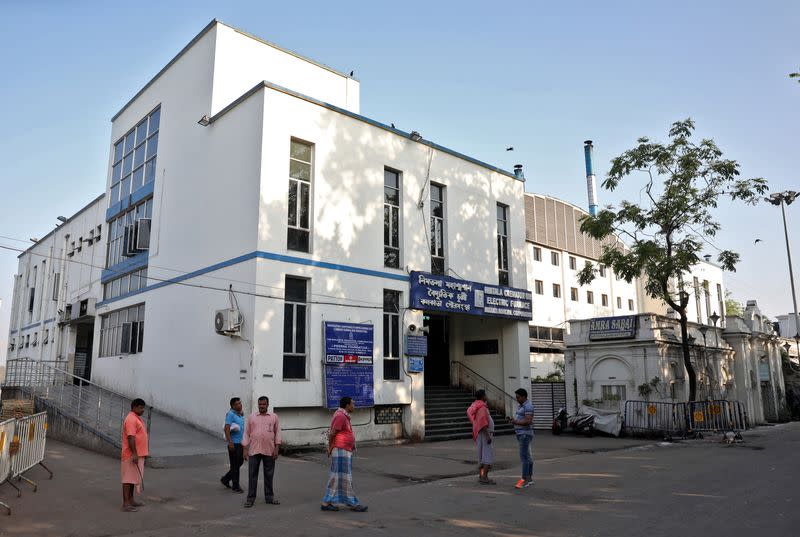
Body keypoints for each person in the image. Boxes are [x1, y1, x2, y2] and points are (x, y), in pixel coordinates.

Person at [320, 396, 368, 512]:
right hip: (340, 449)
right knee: (340, 476)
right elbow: (332, 434)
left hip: (344, 449)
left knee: (341, 477)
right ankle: (350, 503)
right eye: (352, 404)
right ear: (347, 405)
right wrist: (330, 447)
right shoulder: (341, 416)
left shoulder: (343, 415)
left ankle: (330, 502)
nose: (354, 406)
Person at [242, 396, 282, 507]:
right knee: (252, 475)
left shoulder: (274, 417)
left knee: (269, 475)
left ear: (267, 405)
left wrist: (277, 448)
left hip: (269, 450)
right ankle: (250, 499)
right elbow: (246, 433)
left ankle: (269, 497)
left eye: (264, 404)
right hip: (254, 450)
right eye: (260, 404)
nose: (261, 406)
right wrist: (245, 448)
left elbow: (277, 432)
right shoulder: (252, 417)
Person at [121, 398, 149, 512]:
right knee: (127, 480)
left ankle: (131, 500)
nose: (143, 410)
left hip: (137, 454)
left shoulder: (136, 418)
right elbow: (130, 437)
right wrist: (134, 454)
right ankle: (126, 504)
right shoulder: (131, 419)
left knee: (132, 479)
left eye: (143, 408)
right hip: (130, 455)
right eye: (141, 407)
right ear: (134, 407)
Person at [467, 389, 495, 485]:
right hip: (484, 433)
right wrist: (488, 436)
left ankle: (481, 476)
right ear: (483, 396)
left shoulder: (475, 405)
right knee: (487, 455)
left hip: (480, 433)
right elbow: (483, 423)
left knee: (481, 455)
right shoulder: (482, 407)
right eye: (485, 395)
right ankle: (484, 477)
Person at [509, 388, 534, 489]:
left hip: (525, 434)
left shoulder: (528, 406)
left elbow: (528, 421)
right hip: (521, 433)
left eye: (518, 397)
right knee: (528, 457)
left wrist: (516, 422)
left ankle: (524, 480)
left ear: (524, 396)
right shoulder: (522, 406)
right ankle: (529, 478)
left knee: (524, 458)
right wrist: (514, 420)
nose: (517, 399)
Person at [221, 397, 245, 493]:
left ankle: (226, 479)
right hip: (234, 444)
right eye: (238, 403)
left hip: (240, 443)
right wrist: (230, 442)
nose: (240, 404)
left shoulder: (240, 414)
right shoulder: (230, 414)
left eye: (240, 403)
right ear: (233, 406)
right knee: (235, 465)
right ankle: (236, 487)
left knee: (239, 463)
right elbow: (227, 428)